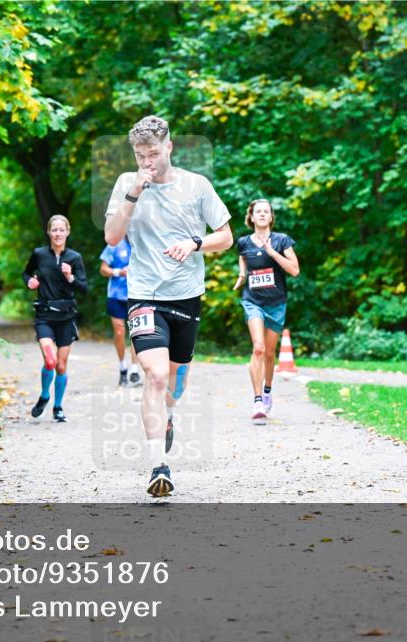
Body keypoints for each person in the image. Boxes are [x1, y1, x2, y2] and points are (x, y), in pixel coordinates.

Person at [104, 115, 233, 497]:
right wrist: (134, 194)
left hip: (187, 294)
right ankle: (159, 466)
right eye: (141, 155)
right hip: (144, 294)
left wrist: (195, 244)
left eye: (154, 154)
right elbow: (113, 237)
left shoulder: (197, 186)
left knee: (175, 382)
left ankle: (169, 416)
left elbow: (225, 237)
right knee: (156, 377)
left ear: (169, 148)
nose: (148, 162)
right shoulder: (127, 184)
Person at [233, 199, 300, 425]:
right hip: (252, 301)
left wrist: (273, 253)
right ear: (251, 217)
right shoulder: (243, 242)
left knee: (270, 354)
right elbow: (243, 257)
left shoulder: (282, 240)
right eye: (258, 212)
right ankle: (257, 400)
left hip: (276, 303)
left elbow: (295, 270)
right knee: (259, 348)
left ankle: (268, 389)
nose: (262, 214)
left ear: (271, 217)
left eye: (266, 212)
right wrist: (242, 275)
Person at [23, 214, 88, 423]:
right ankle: (44, 395)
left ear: (67, 232)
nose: (58, 233)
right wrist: (30, 281)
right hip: (44, 316)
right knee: (50, 361)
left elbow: (84, 288)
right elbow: (26, 273)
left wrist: (71, 277)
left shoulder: (75, 258)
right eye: (54, 230)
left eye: (62, 230)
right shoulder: (39, 254)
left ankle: (58, 407)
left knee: (61, 365)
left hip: (66, 317)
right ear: (49, 232)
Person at [99, 237, 141, 386]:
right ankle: (123, 369)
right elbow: (103, 269)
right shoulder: (115, 245)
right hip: (116, 296)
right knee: (119, 333)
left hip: (137, 295)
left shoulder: (143, 242)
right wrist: (119, 272)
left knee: (136, 333)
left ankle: (135, 371)